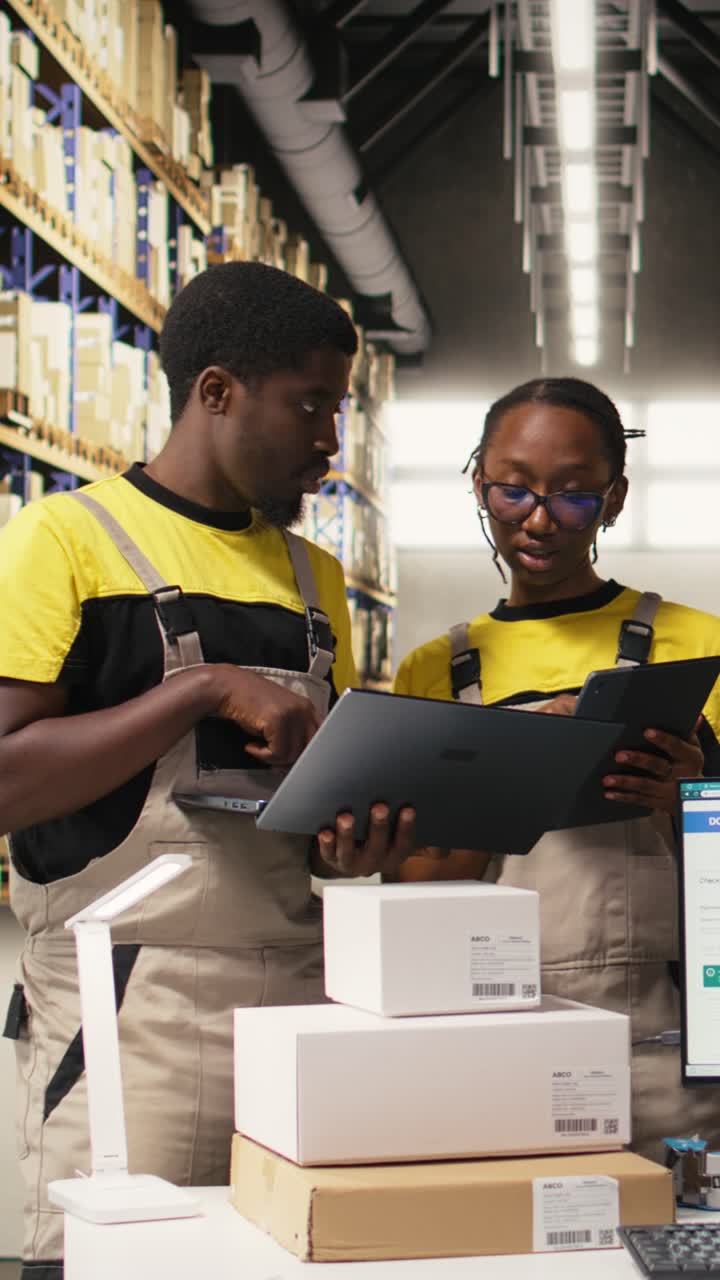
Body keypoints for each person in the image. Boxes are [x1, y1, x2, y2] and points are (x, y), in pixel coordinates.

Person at [0, 261, 415, 1279]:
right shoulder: (63, 538)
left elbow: (313, 804)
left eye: (338, 410)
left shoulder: (313, 578)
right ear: (217, 391)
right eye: (310, 403)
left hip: (295, 1016)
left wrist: (351, 838)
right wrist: (198, 690)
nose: (329, 439)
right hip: (125, 1014)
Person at [393, 376, 720, 1160]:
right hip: (491, 1052)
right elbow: (416, 896)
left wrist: (689, 800)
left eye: (574, 497)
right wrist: (508, 774)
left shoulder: (696, 649)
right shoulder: (433, 671)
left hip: (664, 1061)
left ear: (615, 499)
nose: (538, 520)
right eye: (512, 492)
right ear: (479, 484)